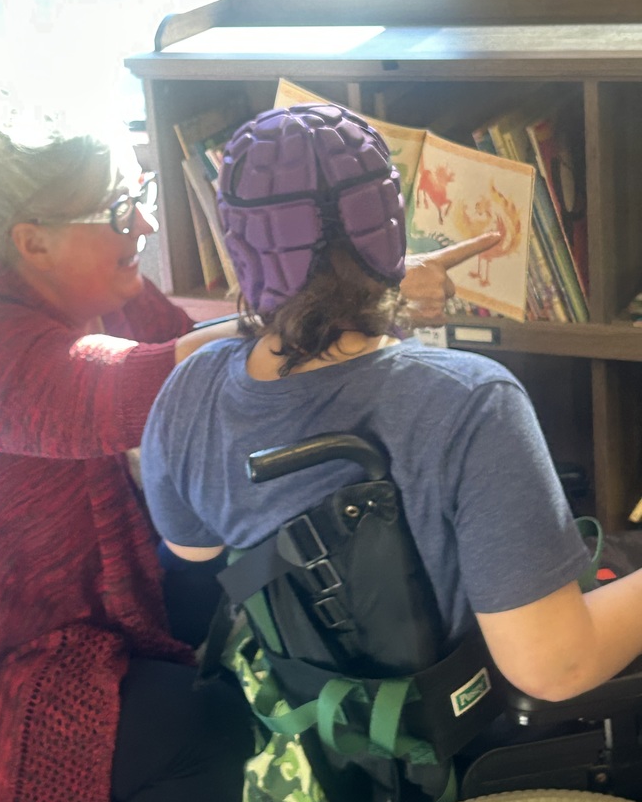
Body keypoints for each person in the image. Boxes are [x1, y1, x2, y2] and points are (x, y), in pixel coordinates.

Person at [141, 102, 642, 707]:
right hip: (467, 725)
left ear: (242, 247)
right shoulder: (471, 401)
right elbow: (555, 667)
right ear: (391, 229)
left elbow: (195, 550)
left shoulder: (189, 388)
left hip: (321, 727)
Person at [0, 90, 256, 802]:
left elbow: (200, 368)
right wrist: (339, 311)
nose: (142, 223)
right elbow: (150, 386)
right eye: (119, 211)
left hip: (77, 614)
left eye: (138, 194)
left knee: (254, 584)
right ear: (33, 240)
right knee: (200, 729)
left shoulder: (103, 289)